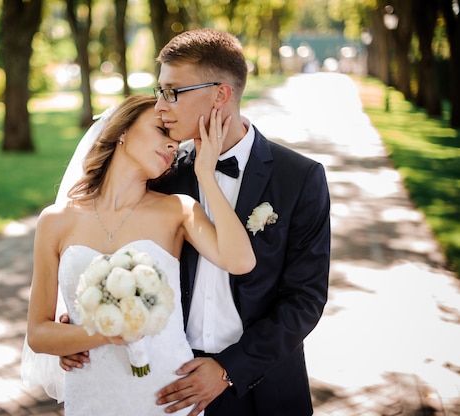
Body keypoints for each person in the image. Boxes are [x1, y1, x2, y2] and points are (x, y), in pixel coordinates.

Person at [62, 29, 331, 415]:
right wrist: (87, 312)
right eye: (158, 91)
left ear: (220, 94)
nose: (160, 106)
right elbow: (113, 243)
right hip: (166, 378)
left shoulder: (300, 178)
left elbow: (305, 300)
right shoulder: (161, 173)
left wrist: (228, 370)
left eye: (173, 91)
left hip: (262, 387)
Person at [25, 94, 256, 416]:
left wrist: (206, 173)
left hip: (167, 393)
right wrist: (102, 332)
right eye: (162, 132)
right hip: (91, 394)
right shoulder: (55, 221)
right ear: (122, 130)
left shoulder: (178, 210)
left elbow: (240, 261)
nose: (174, 147)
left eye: (176, 142)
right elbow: (38, 334)